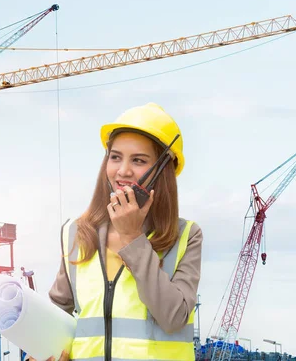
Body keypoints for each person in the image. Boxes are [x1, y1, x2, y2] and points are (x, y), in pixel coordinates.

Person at [43, 103, 203, 361]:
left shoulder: (186, 236)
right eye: (115, 157)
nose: (123, 171)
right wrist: (39, 354)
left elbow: (174, 318)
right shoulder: (76, 233)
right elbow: (54, 315)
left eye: (138, 160)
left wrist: (132, 239)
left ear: (164, 170)